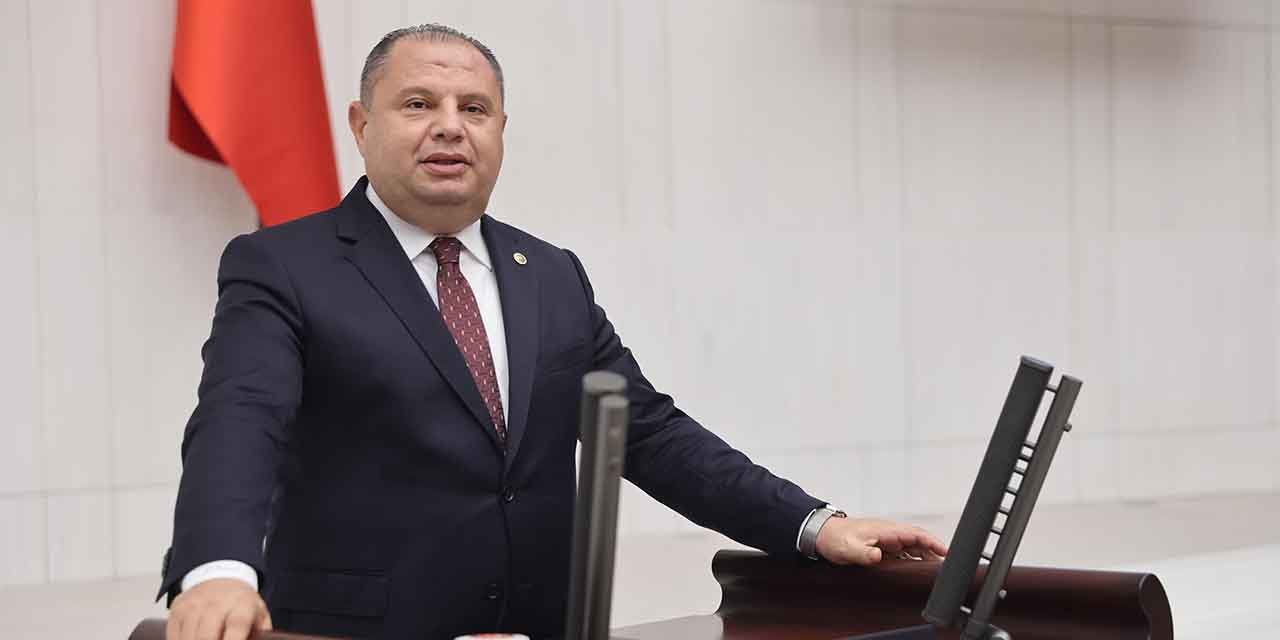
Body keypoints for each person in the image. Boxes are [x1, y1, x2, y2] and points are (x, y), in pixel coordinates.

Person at [160, 24, 947, 640]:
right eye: (418, 105)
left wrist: (814, 525)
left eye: (474, 109)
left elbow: (649, 432)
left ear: (501, 130)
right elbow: (239, 418)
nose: (449, 128)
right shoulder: (283, 265)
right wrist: (218, 570)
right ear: (361, 126)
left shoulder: (550, 273)